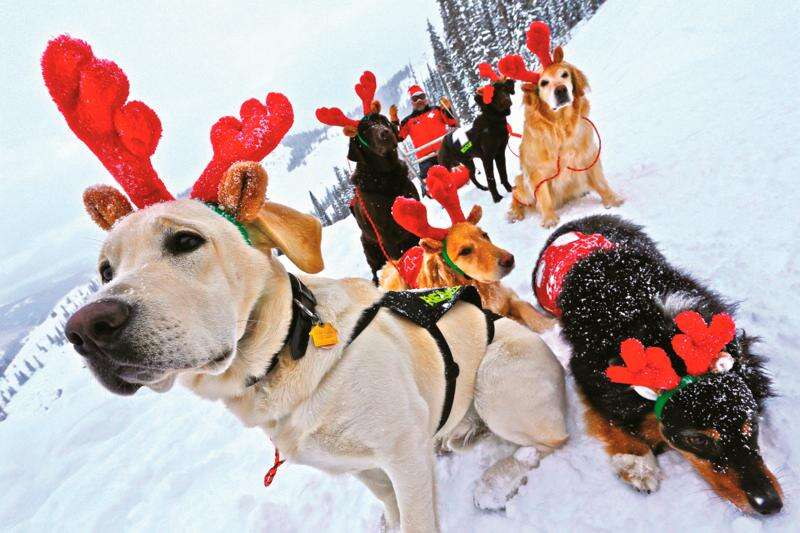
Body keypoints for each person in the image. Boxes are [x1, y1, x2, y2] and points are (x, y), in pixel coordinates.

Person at [390, 85, 458, 195]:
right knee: (431, 178)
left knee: (463, 146)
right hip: (425, 159)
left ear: (426, 98)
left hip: (445, 151)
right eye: (415, 99)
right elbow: (398, 138)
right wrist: (394, 121)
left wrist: (447, 108)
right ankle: (432, 189)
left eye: (421, 96)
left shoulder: (437, 110)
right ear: (411, 102)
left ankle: (462, 170)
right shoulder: (408, 121)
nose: (419, 101)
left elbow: (452, 123)